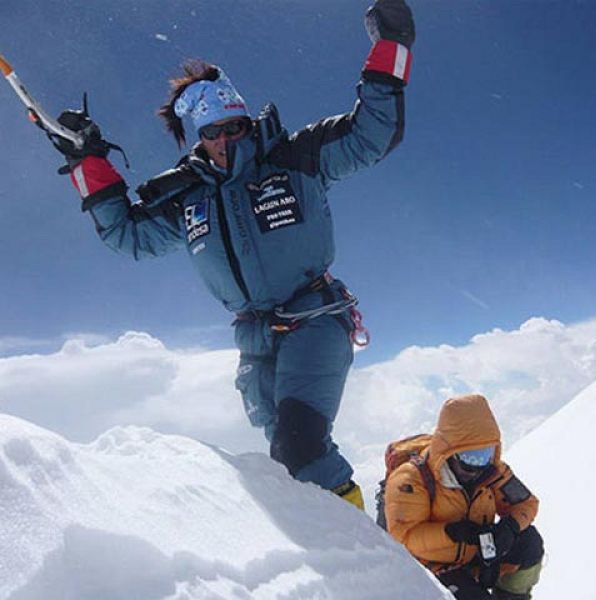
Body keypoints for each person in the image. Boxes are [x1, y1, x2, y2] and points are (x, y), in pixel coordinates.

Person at [49, 0, 415, 509]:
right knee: (287, 468)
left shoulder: (297, 158)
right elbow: (127, 235)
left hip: (314, 318)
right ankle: (342, 551)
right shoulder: (188, 198)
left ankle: (374, 569)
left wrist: (392, 45)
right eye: (212, 132)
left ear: (245, 121)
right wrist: (84, 159)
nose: (225, 140)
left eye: (233, 126)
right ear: (197, 137)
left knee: (301, 449)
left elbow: (372, 134)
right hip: (255, 338)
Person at [384, 394, 544, 599]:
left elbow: (526, 503)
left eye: (485, 454)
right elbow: (404, 537)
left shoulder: (492, 472)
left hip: (477, 553)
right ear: (449, 452)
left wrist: (510, 528)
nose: (477, 466)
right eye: (470, 457)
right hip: (433, 566)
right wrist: (452, 533)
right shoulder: (410, 479)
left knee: (529, 542)